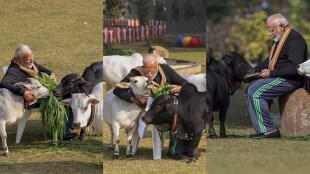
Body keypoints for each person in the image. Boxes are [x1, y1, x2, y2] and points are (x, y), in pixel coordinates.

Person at [113, 53, 191, 159]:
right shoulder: (136, 72)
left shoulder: (165, 70)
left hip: (163, 110)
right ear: (142, 66)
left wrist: (180, 88)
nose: (149, 74)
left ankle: (174, 149)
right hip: (143, 109)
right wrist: (134, 98)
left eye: (153, 70)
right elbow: (117, 90)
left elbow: (185, 84)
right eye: (146, 70)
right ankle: (135, 148)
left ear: (158, 65)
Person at [246, 13, 307, 139]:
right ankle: (262, 129)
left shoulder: (295, 40)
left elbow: (296, 68)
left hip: (292, 79)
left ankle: (269, 130)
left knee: (255, 91)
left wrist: (271, 73)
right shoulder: (280, 39)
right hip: (280, 77)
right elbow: (270, 60)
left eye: (271, 30)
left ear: (282, 27)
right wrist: (254, 71)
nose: (269, 33)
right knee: (250, 88)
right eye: (269, 30)